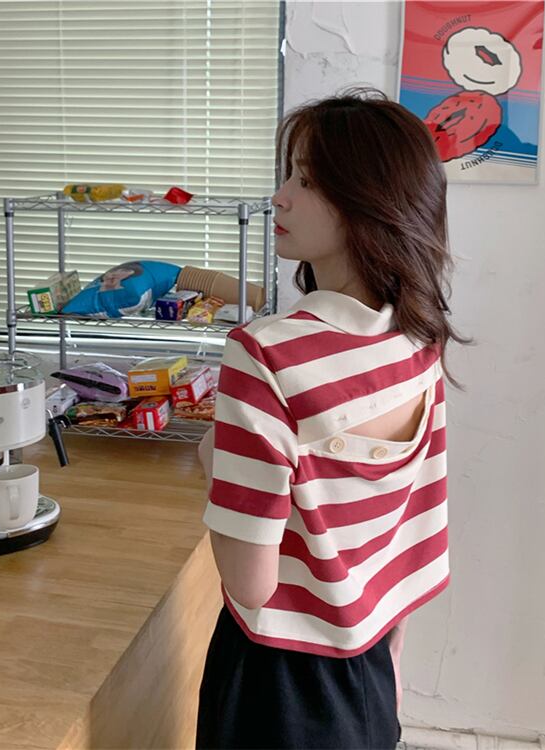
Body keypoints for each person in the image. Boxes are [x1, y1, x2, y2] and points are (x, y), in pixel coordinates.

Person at [195, 86, 474, 750]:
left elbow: (250, 584)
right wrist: (391, 656)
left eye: (306, 180)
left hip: (275, 683)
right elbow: (410, 531)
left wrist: (215, 460)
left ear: (367, 202)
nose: (279, 197)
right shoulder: (418, 337)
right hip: (370, 666)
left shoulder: (265, 355)